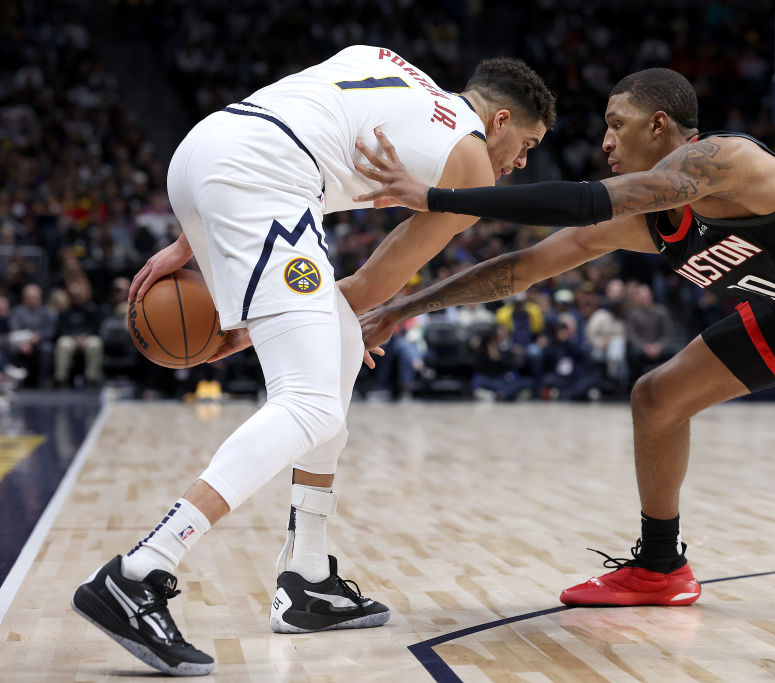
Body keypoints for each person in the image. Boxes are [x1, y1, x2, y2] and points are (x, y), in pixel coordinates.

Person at [354, 68, 775, 669]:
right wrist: (403, 308)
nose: (605, 141)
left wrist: (435, 197)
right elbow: (524, 267)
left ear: (660, 125)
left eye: (617, 124)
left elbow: (585, 200)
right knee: (657, 397)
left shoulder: (727, 161)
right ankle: (661, 566)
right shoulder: (649, 220)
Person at [71, 44, 554, 676]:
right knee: (310, 400)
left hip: (205, 153)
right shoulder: (468, 162)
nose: (522, 161)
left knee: (342, 350)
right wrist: (277, 320)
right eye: (528, 143)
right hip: (261, 184)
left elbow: (291, 118)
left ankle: (308, 579)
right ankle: (140, 570)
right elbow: (373, 285)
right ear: (500, 120)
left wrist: (197, 235)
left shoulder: (389, 65)